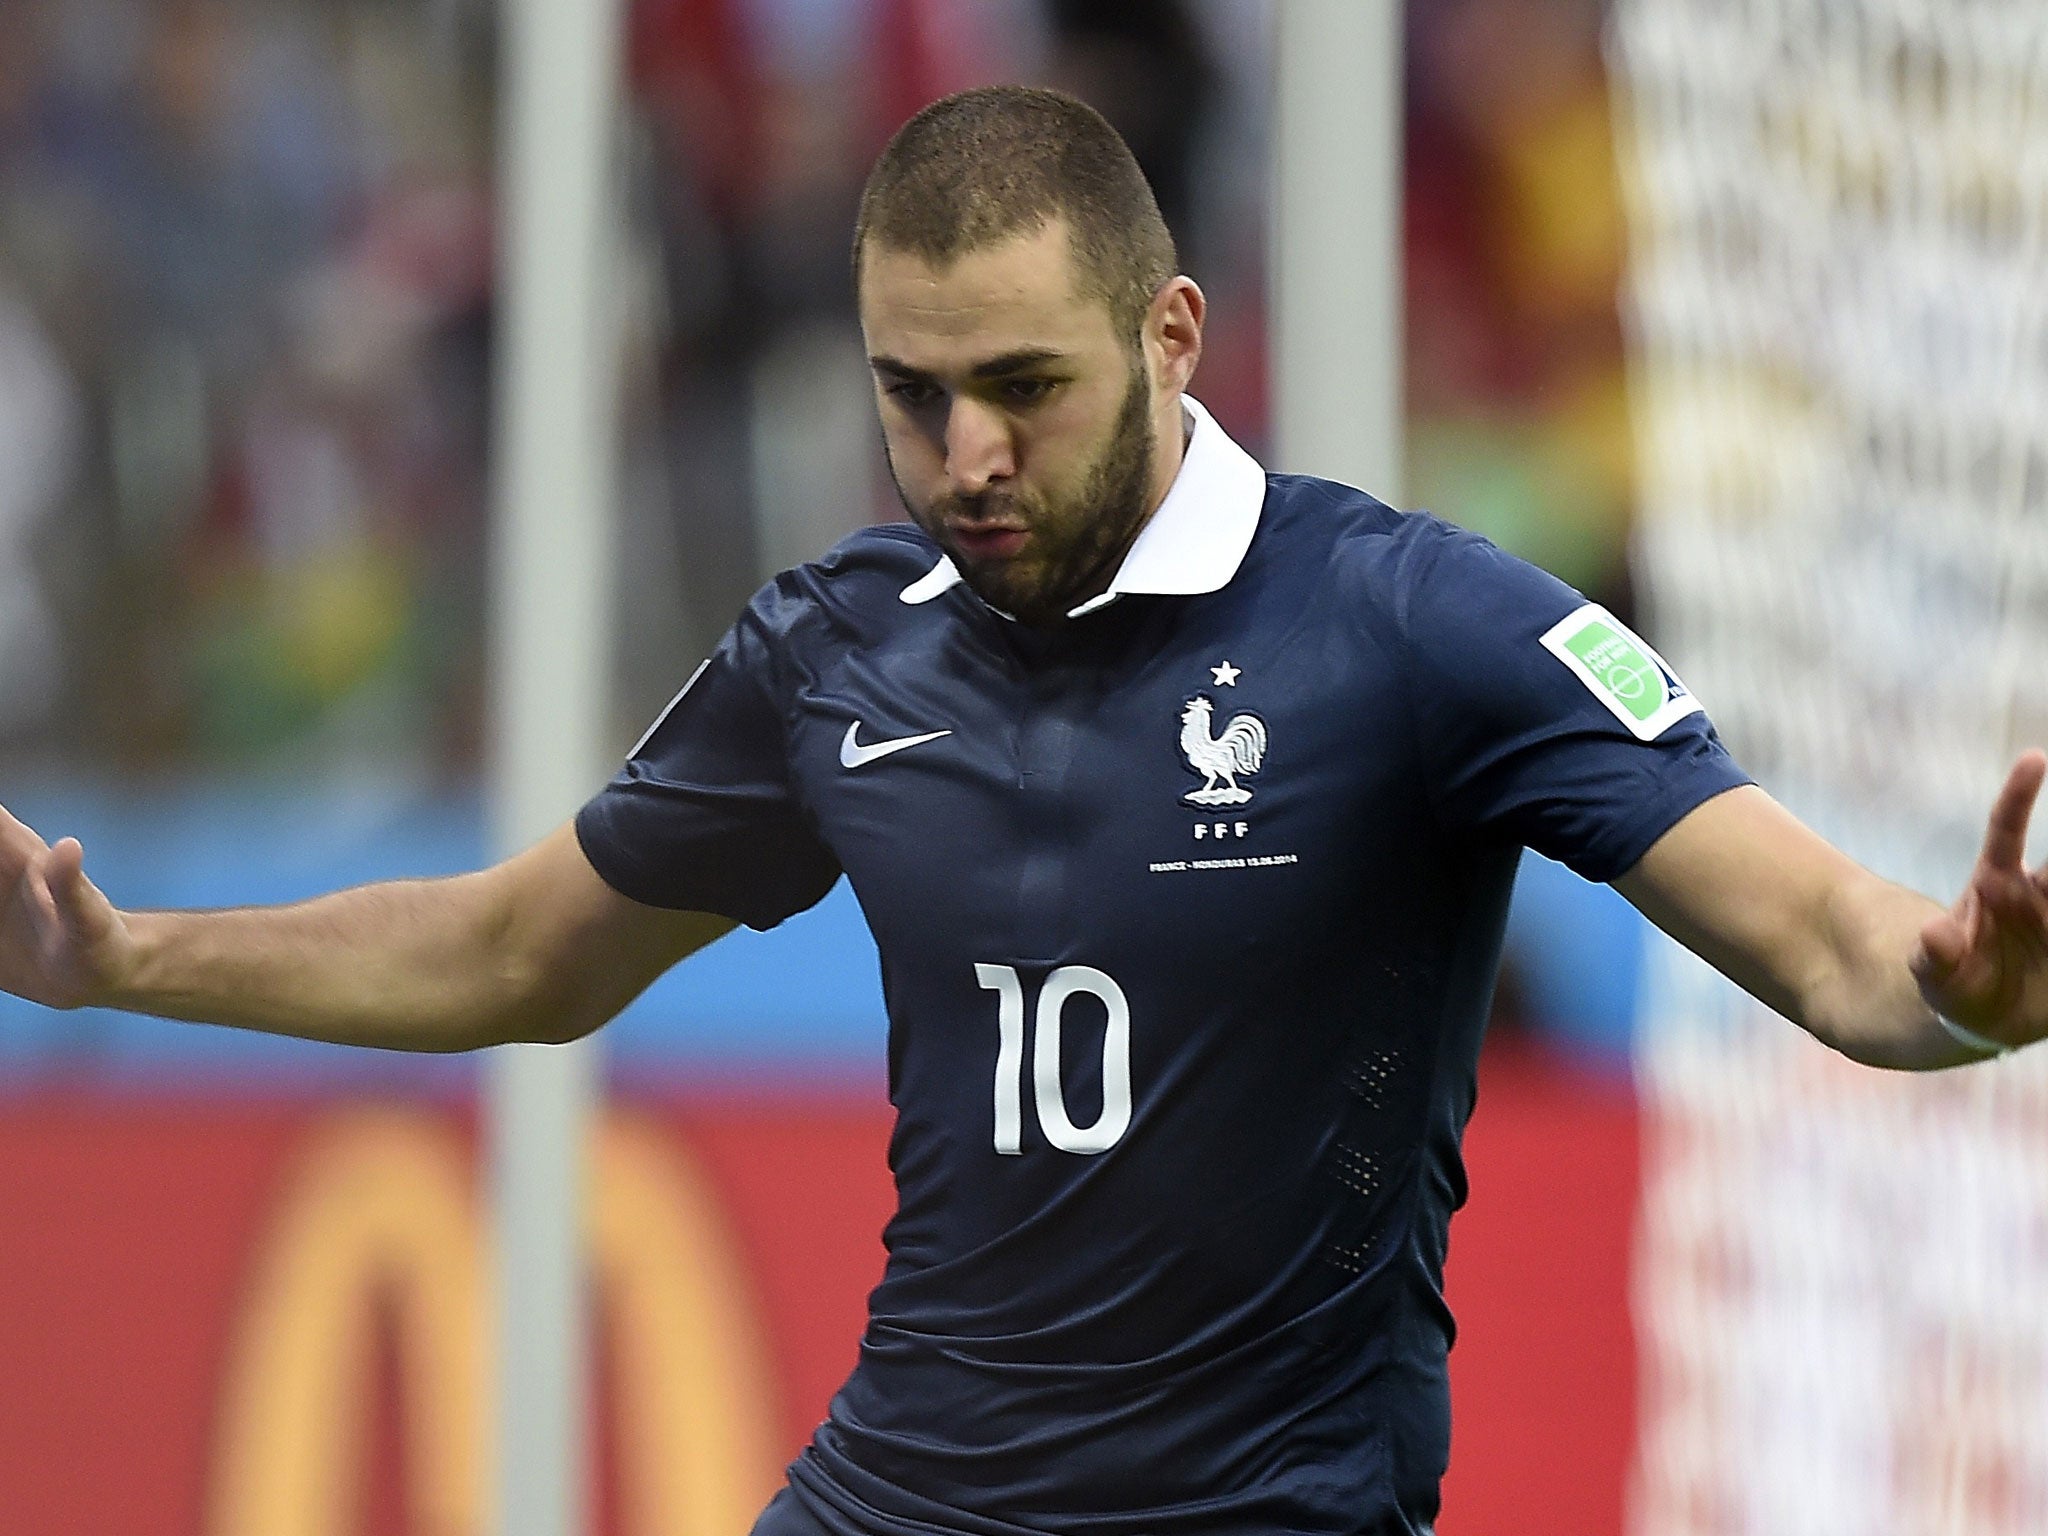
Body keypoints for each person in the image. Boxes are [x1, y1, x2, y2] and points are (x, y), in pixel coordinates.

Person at [3, 86, 2046, 1536]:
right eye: (911, 394)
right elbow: (517, 951)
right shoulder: (836, 653)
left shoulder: (1417, 628)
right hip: (901, 1497)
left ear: (1172, 336)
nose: (962, 454)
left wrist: (1963, 985)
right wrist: (120, 963)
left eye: (1023, 386)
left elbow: (1834, 949)